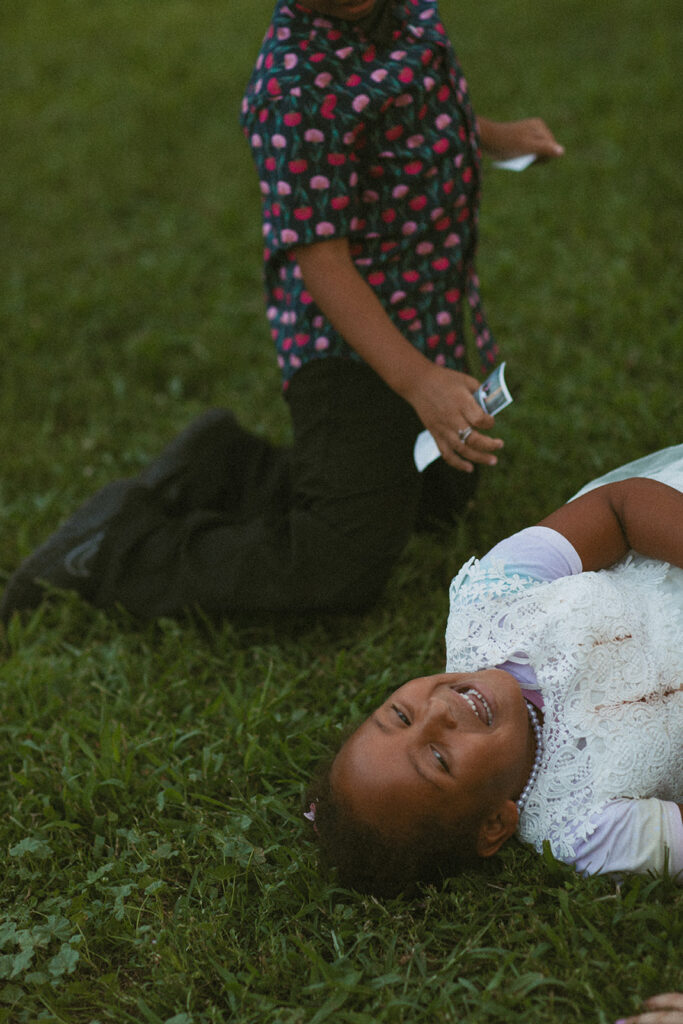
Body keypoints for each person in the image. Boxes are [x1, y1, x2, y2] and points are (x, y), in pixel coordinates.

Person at [0, 0, 563, 622]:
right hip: (349, 347)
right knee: (339, 565)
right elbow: (322, 261)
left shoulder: (406, 11)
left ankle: (226, 462)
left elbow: (421, 106)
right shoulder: (293, 90)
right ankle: (116, 550)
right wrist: (418, 381)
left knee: (438, 499)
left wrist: (495, 137)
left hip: (426, 309)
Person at [305, 445, 683, 897]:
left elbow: (619, 508)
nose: (437, 712)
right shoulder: (586, 830)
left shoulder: (491, 601)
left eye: (401, 715)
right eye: (439, 759)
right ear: (494, 825)